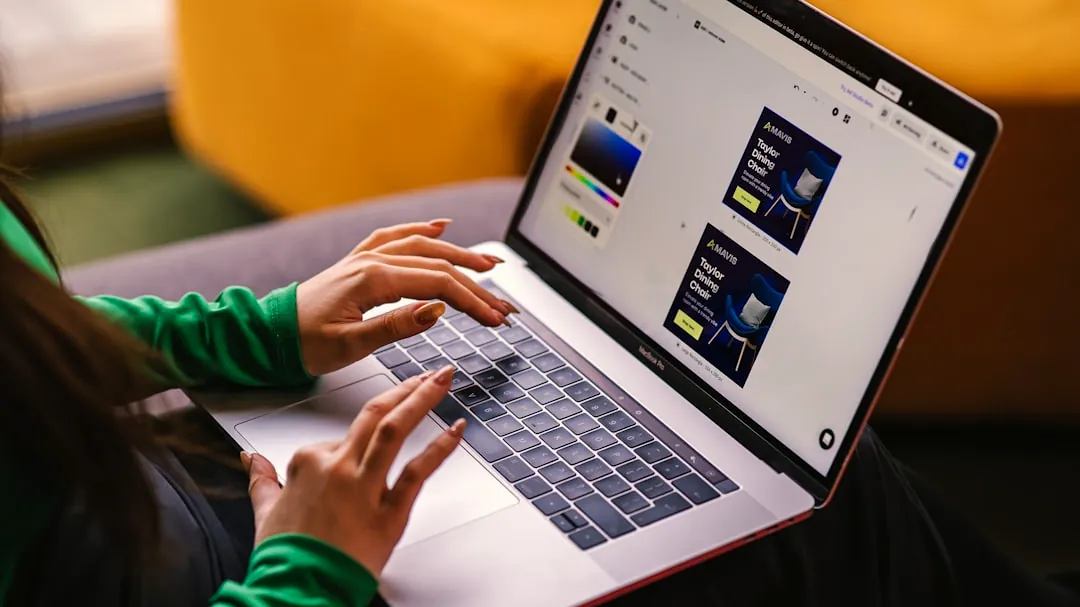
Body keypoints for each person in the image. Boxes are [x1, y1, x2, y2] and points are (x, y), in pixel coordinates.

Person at [2, 112, 1078, 607]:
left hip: (162, 515)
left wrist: (260, 327)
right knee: (832, 504)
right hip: (260, 577)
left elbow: (26, 329)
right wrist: (314, 565)